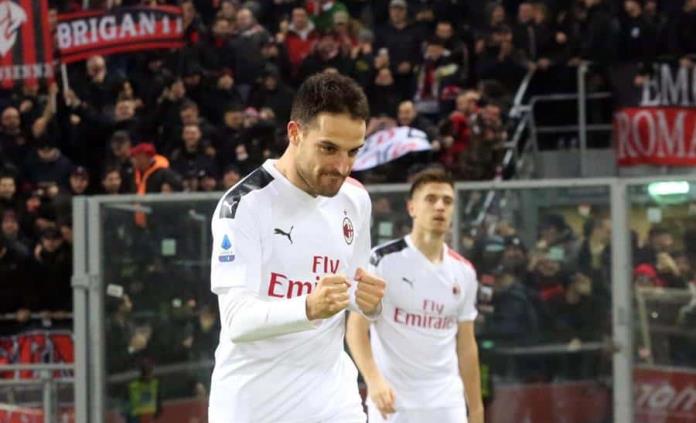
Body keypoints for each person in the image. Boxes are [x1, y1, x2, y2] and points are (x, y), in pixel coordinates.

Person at [208, 73, 386, 422]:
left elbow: (353, 288)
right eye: (328, 148)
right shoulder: (244, 205)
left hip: (333, 400)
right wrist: (308, 306)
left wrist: (370, 303)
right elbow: (236, 320)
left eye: (353, 151)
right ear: (295, 133)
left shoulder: (355, 199)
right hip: (256, 407)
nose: (342, 167)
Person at [346, 168, 484, 423]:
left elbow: (467, 345)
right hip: (393, 404)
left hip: (447, 405)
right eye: (431, 199)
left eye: (447, 201)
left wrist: (476, 410)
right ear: (412, 208)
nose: (440, 206)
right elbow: (355, 329)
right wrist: (373, 381)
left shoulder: (464, 271)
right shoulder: (381, 260)